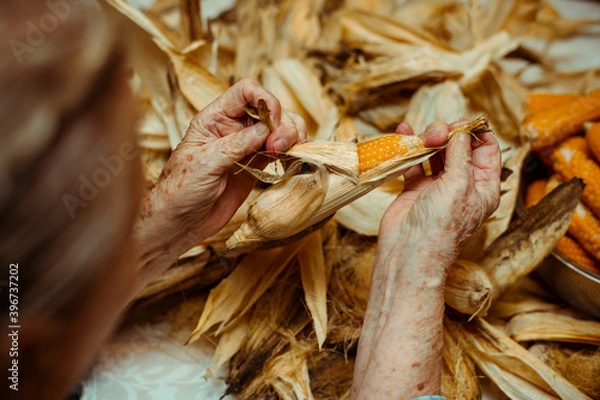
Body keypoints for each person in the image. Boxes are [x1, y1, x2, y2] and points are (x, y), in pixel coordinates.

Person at [0, 2, 500, 399]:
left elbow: (20, 309)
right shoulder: (24, 350)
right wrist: (419, 263)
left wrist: (161, 228)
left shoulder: (17, 331)